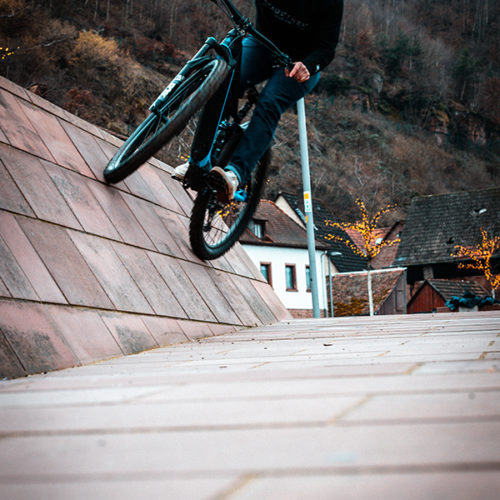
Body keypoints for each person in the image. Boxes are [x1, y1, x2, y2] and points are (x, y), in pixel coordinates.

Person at [174, 0, 344, 202]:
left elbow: (327, 47)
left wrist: (310, 65)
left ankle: (235, 174)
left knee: (270, 102)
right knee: (223, 79)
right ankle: (198, 161)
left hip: (300, 62)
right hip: (262, 44)